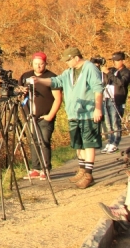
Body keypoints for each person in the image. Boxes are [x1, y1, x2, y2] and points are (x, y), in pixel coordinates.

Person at [29, 47, 103, 189]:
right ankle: (82, 169)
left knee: (89, 144)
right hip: (74, 113)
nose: (67, 63)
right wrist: (38, 80)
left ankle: (89, 173)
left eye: (68, 60)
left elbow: (97, 88)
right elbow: (55, 81)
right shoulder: (68, 72)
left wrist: (98, 108)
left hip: (87, 112)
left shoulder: (90, 68)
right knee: (78, 144)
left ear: (76, 58)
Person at [19, 52, 62, 180]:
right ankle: (36, 168)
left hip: (45, 116)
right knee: (33, 141)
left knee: (44, 141)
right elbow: (18, 92)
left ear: (45, 63)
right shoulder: (25, 76)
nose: (38, 66)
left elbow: (58, 98)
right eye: (36, 64)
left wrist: (50, 115)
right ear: (32, 63)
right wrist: (21, 91)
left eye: (41, 64)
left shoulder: (52, 77)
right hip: (30, 115)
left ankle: (45, 168)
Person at [101, 52, 130, 153]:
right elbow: (104, 81)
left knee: (115, 122)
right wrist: (104, 72)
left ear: (123, 61)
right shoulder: (112, 70)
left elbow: (121, 83)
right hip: (107, 98)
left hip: (117, 100)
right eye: (113, 61)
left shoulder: (126, 72)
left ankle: (115, 143)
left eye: (117, 60)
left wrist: (108, 73)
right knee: (108, 123)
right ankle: (110, 141)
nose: (115, 63)